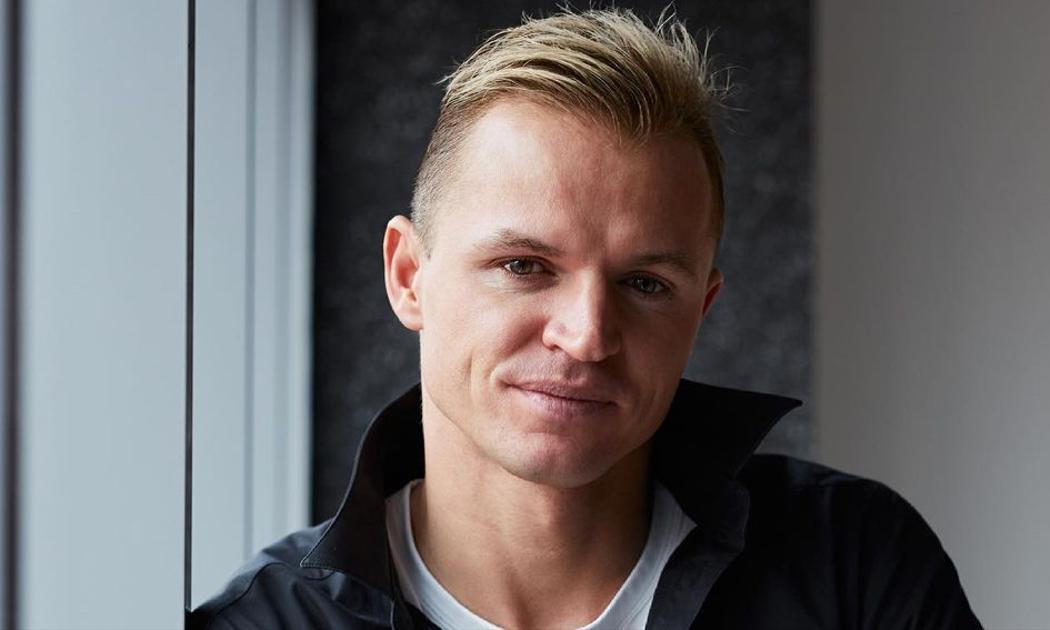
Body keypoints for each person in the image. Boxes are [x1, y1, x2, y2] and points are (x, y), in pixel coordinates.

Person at [190, 8, 982, 629]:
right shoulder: (263, 625)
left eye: (644, 283)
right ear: (409, 278)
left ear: (700, 309)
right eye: (524, 266)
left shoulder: (852, 567)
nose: (588, 335)